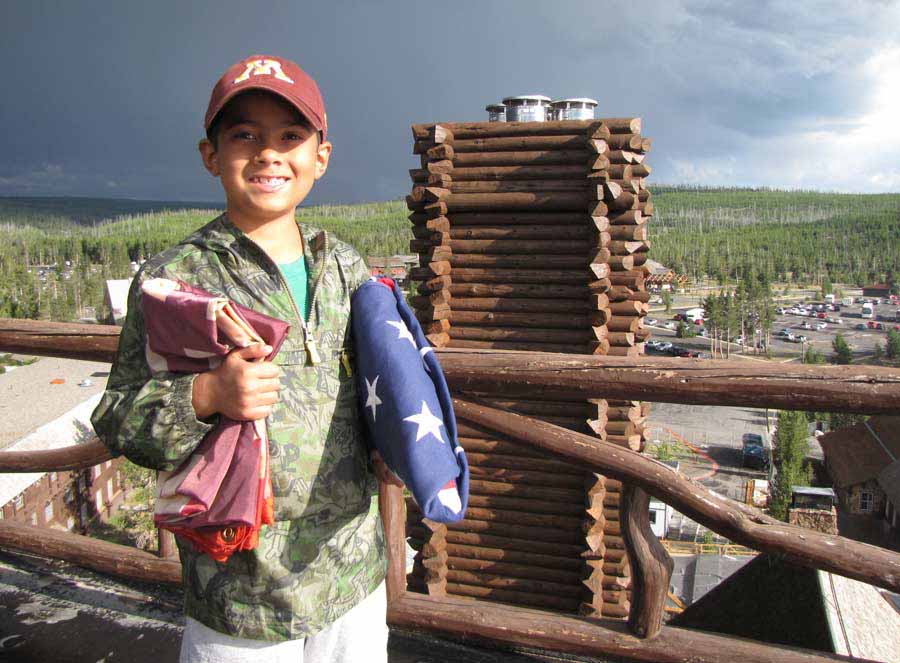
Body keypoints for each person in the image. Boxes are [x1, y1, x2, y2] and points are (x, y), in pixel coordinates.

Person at [91, 54, 395, 662]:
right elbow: (117, 416)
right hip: (239, 592)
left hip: (351, 574)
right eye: (244, 136)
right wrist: (205, 396)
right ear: (211, 155)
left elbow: (380, 386)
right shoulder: (175, 279)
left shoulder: (346, 269)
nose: (268, 154)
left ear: (321, 157)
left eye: (290, 136)